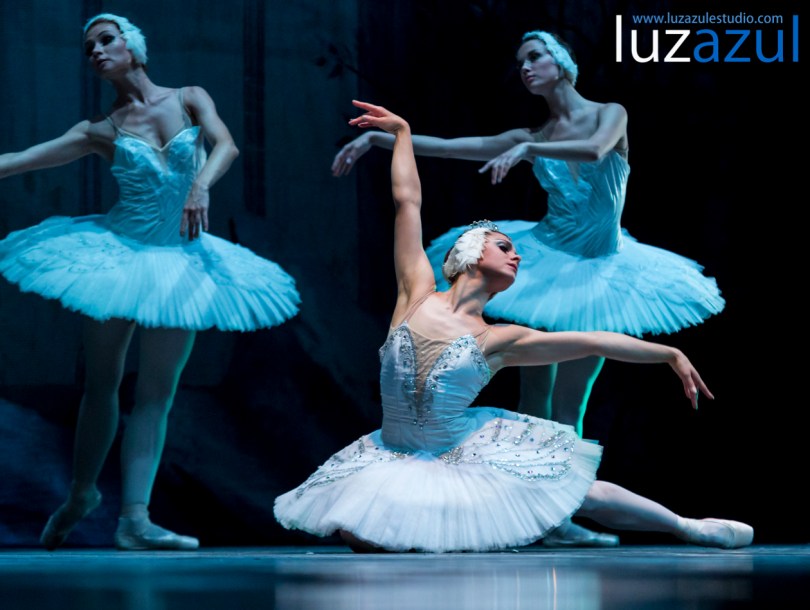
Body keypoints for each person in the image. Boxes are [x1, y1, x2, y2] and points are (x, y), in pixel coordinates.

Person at [274, 100, 752, 554]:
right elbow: (408, 203)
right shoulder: (415, 292)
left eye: (514, 250)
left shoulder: (498, 339)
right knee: (361, 533)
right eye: (505, 246)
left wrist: (669, 354)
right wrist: (401, 134)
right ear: (469, 252)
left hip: (458, 452)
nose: (516, 253)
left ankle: (688, 526)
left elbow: (591, 340)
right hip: (392, 455)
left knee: (578, 489)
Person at [0, 14, 300, 551]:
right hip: (116, 258)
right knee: (103, 382)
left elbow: (226, 143)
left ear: (133, 45)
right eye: (88, 46)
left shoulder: (188, 97)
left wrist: (201, 186)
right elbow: (20, 161)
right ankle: (82, 493)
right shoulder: (99, 129)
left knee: (157, 392)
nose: (95, 51)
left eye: (105, 40)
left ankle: (134, 519)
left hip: (179, 261)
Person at [331, 31, 724, 437]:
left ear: (562, 63)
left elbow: (594, 149)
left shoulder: (610, 114)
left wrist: (530, 151)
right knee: (535, 398)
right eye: (521, 62)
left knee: (571, 407)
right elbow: (450, 147)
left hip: (599, 274)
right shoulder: (530, 137)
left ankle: (565, 493)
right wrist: (384, 136)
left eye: (535, 57)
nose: (525, 67)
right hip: (547, 265)